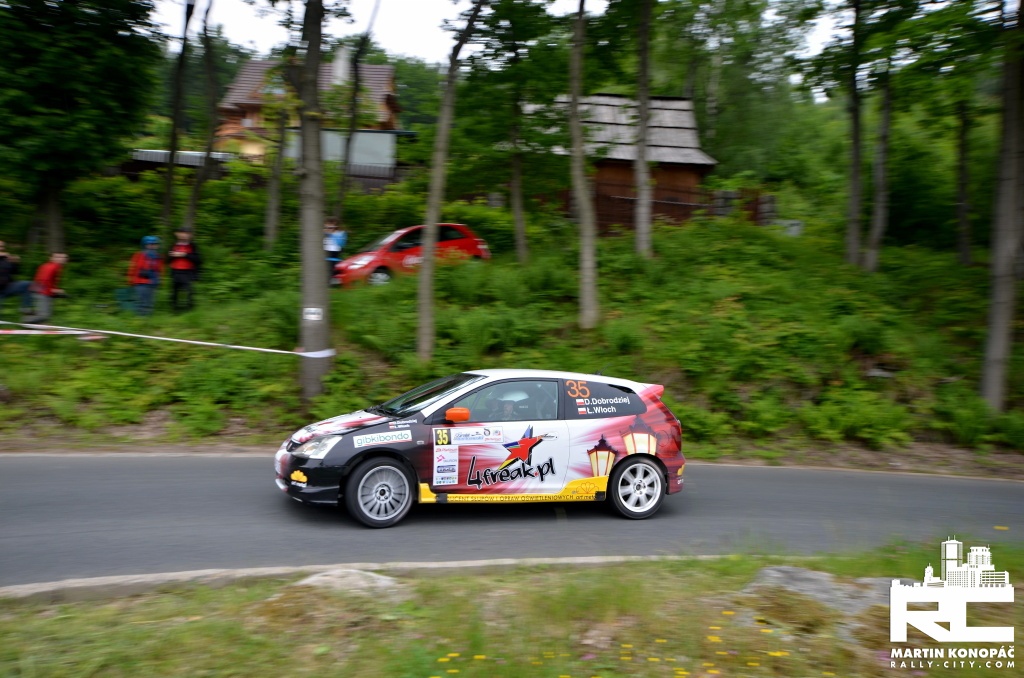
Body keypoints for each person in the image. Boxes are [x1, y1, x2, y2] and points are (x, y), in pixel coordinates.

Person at [22, 252, 68, 324]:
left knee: (46, 315)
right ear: (51, 258)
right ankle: (25, 320)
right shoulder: (52, 267)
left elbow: (49, 281)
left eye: (64, 257)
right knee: (43, 316)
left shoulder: (50, 266)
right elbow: (44, 280)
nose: (61, 259)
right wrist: (54, 290)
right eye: (58, 257)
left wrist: (54, 291)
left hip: (41, 290)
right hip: (42, 292)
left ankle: (34, 320)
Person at [167, 227, 201, 312]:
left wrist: (184, 254)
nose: (183, 235)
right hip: (175, 271)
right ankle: (174, 309)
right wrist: (172, 255)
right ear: (177, 234)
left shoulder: (192, 246)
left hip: (187, 272)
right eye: (181, 233)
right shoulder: (174, 245)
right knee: (174, 292)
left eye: (186, 233)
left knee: (189, 291)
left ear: (190, 235)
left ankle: (189, 309)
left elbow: (198, 260)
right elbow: (168, 260)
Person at [127, 236, 164, 316]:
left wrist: (159, 279)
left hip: (153, 282)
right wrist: (131, 280)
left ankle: (148, 318)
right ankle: (139, 318)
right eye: (151, 244)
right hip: (140, 282)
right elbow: (132, 268)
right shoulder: (138, 255)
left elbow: (160, 269)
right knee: (141, 301)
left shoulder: (158, 257)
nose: (153, 246)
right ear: (145, 245)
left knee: (150, 302)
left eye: (155, 244)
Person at [0, 241, 34, 317]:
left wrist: (15, 263)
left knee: (28, 285)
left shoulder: (5, 259)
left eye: (2, 246)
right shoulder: (4, 256)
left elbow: (15, 272)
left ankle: (26, 309)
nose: (1, 248)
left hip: (7, 287)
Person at [323, 217, 347, 284]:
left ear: (336, 226)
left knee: (332, 271)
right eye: (327, 226)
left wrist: (331, 234)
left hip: (334, 256)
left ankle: (333, 282)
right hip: (325, 254)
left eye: (331, 227)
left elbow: (341, 244)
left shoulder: (340, 233)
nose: (329, 228)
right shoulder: (324, 233)